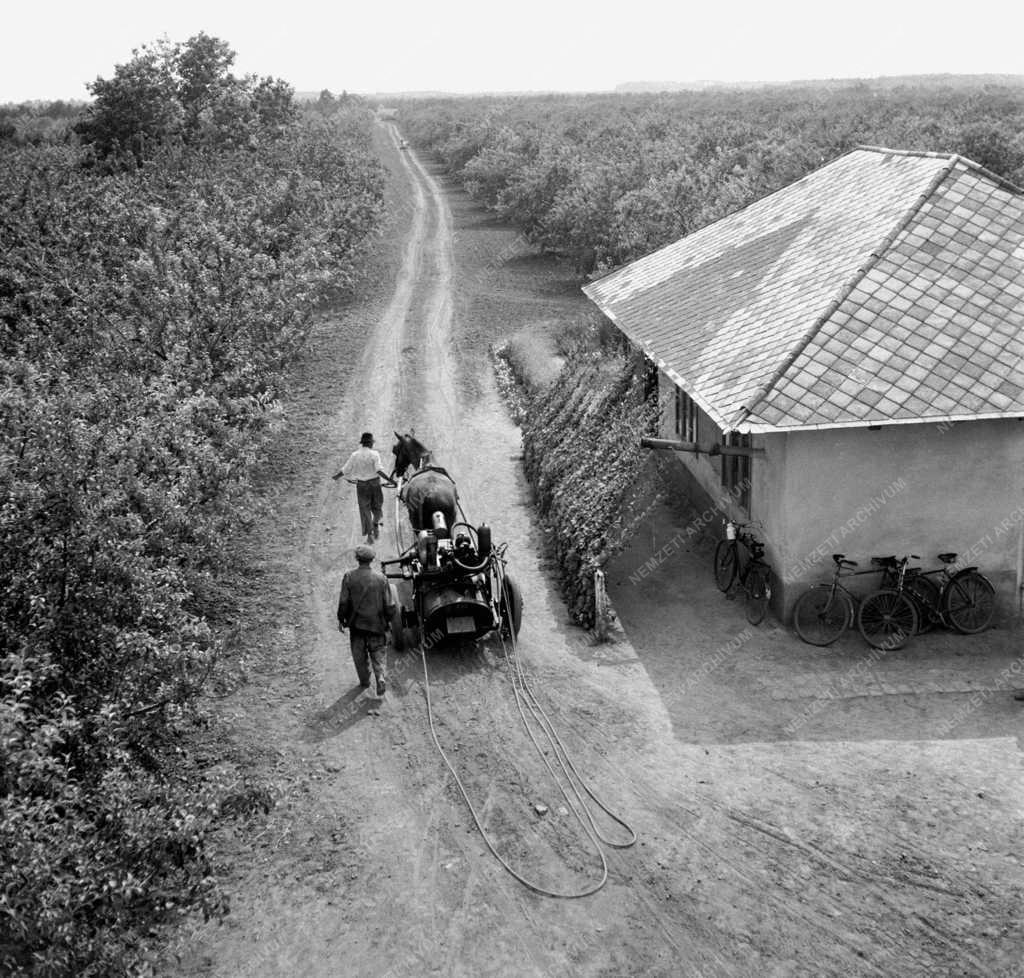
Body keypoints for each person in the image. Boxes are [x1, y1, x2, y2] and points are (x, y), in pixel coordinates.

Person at [337, 545, 396, 696]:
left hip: (357, 626)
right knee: (378, 653)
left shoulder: (349, 577)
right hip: (377, 625)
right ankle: (380, 677)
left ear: (357, 559)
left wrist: (341, 619)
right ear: (371, 560)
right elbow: (390, 605)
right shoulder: (381, 579)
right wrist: (387, 621)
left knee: (359, 656)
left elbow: (344, 602)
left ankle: (364, 680)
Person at [333, 432, 395, 544]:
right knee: (377, 506)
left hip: (361, 486)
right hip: (375, 484)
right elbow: (379, 470)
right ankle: (376, 522)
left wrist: (336, 477)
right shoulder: (375, 454)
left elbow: (345, 470)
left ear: (362, 443)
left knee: (365, 510)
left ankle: (370, 535)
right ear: (371, 443)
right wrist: (390, 480)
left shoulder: (355, 455)